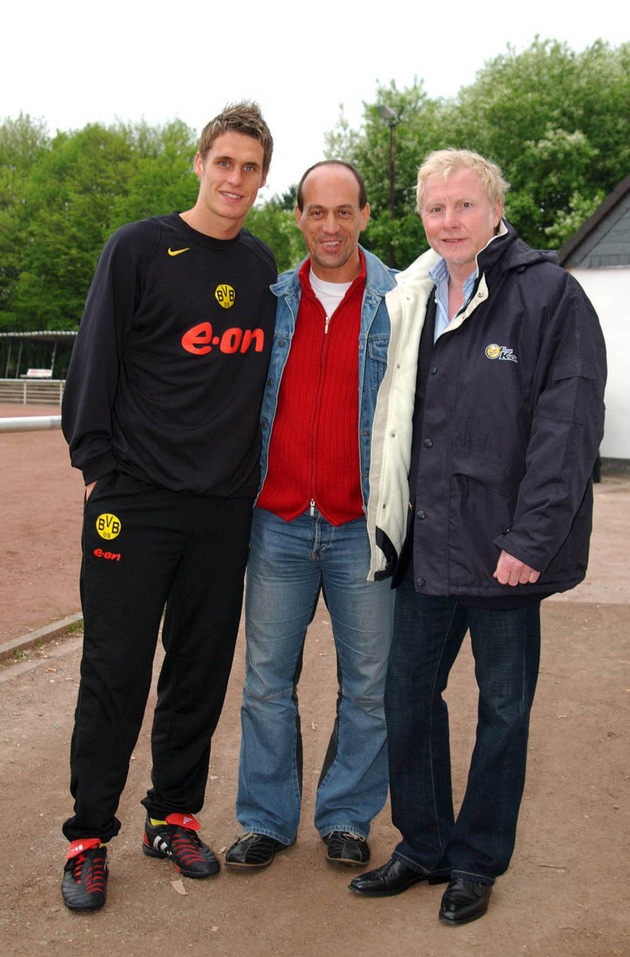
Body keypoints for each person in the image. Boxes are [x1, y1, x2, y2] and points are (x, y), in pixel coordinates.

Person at [349, 149, 606, 924]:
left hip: (504, 556)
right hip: (425, 547)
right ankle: (422, 844)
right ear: (421, 216)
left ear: (496, 209)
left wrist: (530, 538)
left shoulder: (550, 296)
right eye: (435, 209)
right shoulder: (412, 295)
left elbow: (567, 428)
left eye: (464, 206)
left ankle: (476, 860)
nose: (449, 221)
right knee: (407, 698)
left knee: (503, 710)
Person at [60, 102, 276, 912]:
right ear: (199, 162)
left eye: (251, 168)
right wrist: (97, 465)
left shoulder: (260, 269)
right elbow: (96, 355)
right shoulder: (140, 248)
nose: (235, 179)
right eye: (224, 162)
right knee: (114, 670)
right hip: (135, 503)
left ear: (262, 177)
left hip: (222, 512)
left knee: (198, 671)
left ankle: (172, 815)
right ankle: (88, 835)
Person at [224, 161, 397, 871]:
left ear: (364, 215)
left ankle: (347, 816)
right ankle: (266, 818)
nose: (331, 226)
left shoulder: (400, 300)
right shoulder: (271, 299)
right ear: (298, 216)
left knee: (369, 685)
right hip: (281, 521)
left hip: (362, 527)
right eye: (316, 212)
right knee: (266, 680)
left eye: (344, 211)